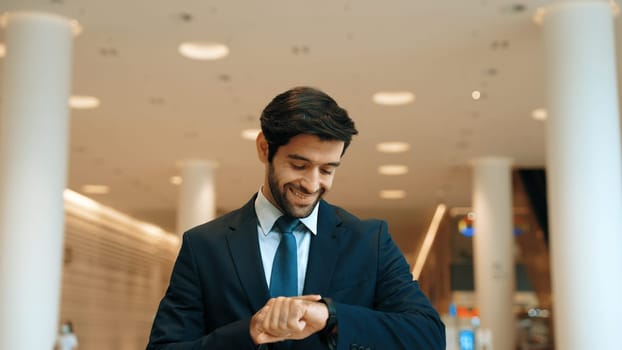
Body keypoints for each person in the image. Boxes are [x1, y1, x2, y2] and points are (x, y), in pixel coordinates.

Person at [147, 86, 445, 349]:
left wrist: (331, 316)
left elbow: (428, 336)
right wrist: (249, 333)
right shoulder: (204, 246)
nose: (312, 184)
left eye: (327, 170)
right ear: (265, 148)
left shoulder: (369, 241)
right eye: (299, 165)